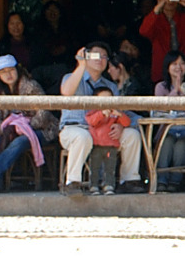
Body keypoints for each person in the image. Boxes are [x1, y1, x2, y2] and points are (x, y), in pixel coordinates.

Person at [58, 42, 144, 195]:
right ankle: (72, 183)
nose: (100, 59)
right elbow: (66, 92)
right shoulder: (71, 77)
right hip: (75, 128)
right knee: (82, 137)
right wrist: (81, 65)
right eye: (95, 55)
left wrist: (120, 127)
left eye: (104, 56)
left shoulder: (110, 86)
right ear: (86, 56)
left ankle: (129, 180)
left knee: (132, 135)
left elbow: (118, 112)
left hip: (103, 131)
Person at [0, 55, 54, 192]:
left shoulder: (31, 86)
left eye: (11, 70)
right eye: (3, 72)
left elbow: (43, 114)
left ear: (18, 70)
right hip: (10, 132)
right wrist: (8, 128)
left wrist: (22, 128)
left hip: (41, 130)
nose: (8, 74)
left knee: (21, 140)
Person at [154, 50, 185, 189]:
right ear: (167, 66)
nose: (178, 67)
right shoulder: (160, 87)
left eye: (182, 63)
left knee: (181, 146)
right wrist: (175, 90)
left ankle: (174, 182)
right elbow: (161, 109)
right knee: (167, 143)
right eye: (174, 64)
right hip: (168, 130)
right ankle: (162, 181)